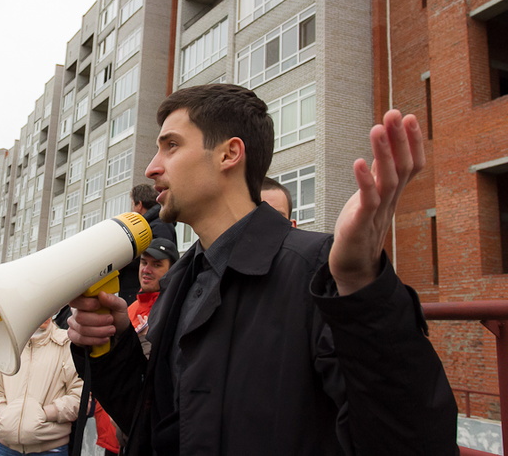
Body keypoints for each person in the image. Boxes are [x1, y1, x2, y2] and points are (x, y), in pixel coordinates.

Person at [67, 83, 458, 454]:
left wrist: (359, 286)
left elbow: (411, 436)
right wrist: (115, 345)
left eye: (171, 145)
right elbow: (157, 424)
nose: (152, 168)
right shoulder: (179, 283)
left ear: (229, 154)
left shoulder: (317, 270)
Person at [95, 239, 179, 456]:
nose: (147, 270)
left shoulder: (174, 311)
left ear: (173, 270)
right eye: (143, 262)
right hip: (111, 436)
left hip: (143, 434)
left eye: (157, 264)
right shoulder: (128, 309)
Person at [0, 318, 83, 456]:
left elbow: (80, 397)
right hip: (7, 447)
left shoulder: (67, 343)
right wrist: (4, 414)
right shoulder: (7, 344)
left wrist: (46, 413)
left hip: (50, 449)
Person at [117, 184, 178, 305]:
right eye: (144, 263)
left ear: (139, 205)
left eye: (133, 205)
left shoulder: (158, 226)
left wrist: (122, 258)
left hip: (146, 298)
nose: (145, 268)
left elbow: (158, 256)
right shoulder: (154, 225)